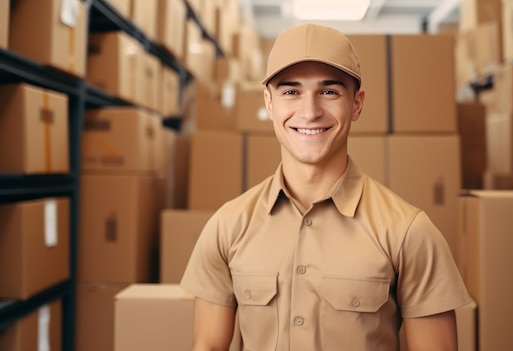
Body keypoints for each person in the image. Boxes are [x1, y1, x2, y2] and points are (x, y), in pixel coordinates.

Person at [181, 23, 472, 351]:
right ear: (269, 103)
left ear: (357, 103)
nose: (310, 112)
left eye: (329, 92)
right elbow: (207, 345)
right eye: (291, 91)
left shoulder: (408, 232)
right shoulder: (227, 226)